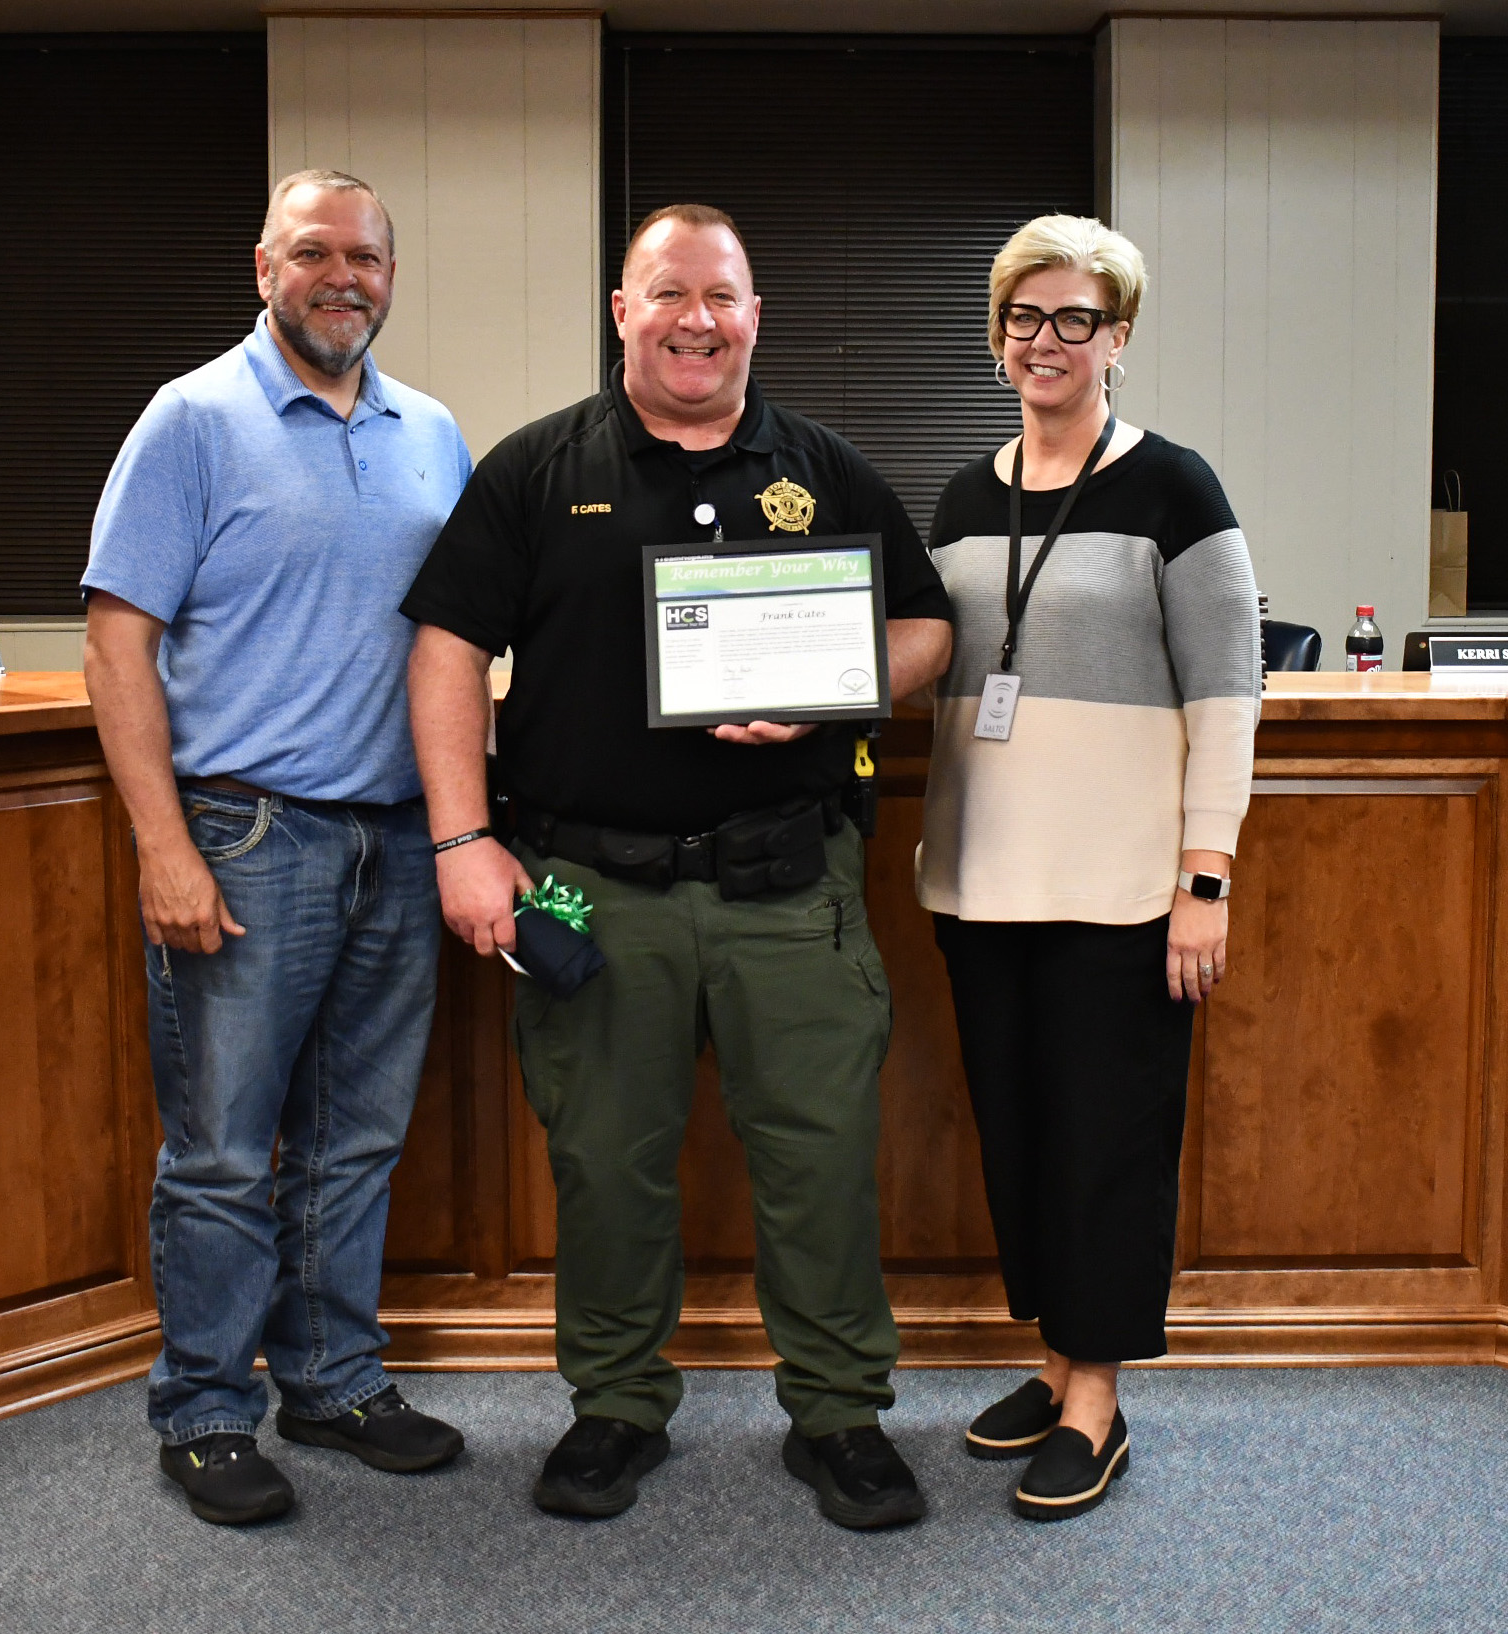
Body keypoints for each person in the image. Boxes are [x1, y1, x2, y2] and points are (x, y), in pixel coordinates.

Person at [402, 203, 953, 1530]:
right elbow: (441, 656)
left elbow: (926, 625)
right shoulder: (535, 472)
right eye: (668, 294)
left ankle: (837, 1411)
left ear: (754, 315)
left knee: (819, 1158)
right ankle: (613, 1405)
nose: (695, 319)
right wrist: (464, 843)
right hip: (589, 887)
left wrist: (841, 691)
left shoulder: (822, 468)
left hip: (790, 889)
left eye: (721, 294)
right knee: (604, 1158)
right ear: (620, 311)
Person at [82, 169, 472, 1526]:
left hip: (401, 839)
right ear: (264, 265)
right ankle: (203, 1409)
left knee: (356, 1140)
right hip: (245, 835)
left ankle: (332, 1377)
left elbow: (461, 641)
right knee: (223, 1150)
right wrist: (161, 844)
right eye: (314, 251)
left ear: (390, 273)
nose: (342, 275)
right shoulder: (192, 418)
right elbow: (116, 640)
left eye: (365, 254)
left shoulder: (432, 432)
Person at [917, 214, 1259, 1520]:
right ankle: (1053, 1359)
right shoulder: (962, 494)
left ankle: (1096, 1403)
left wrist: (1203, 874)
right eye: (1021, 315)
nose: (1042, 340)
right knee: (1018, 1136)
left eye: (1072, 319)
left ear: (1116, 338)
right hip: (980, 884)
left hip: (1121, 888)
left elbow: (1228, 687)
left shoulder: (1173, 487)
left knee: (1107, 1144)